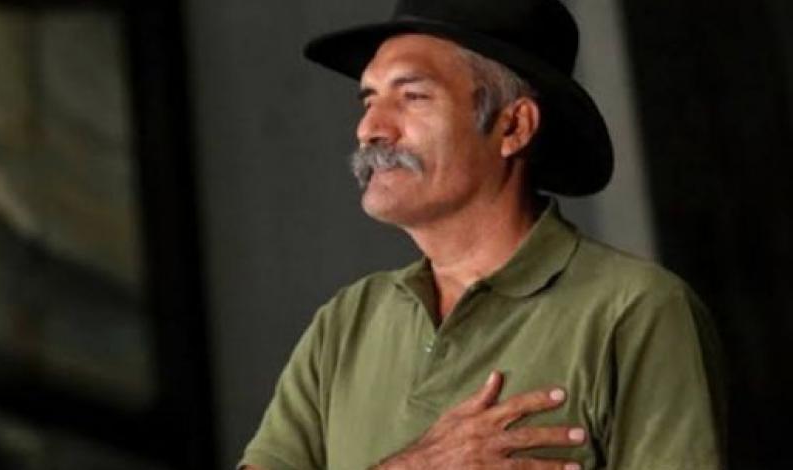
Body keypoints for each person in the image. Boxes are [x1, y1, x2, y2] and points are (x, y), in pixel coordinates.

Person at [239, 0, 725, 468]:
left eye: (412, 96)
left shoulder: (633, 308)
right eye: (369, 99)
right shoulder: (347, 321)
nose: (370, 128)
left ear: (514, 126)